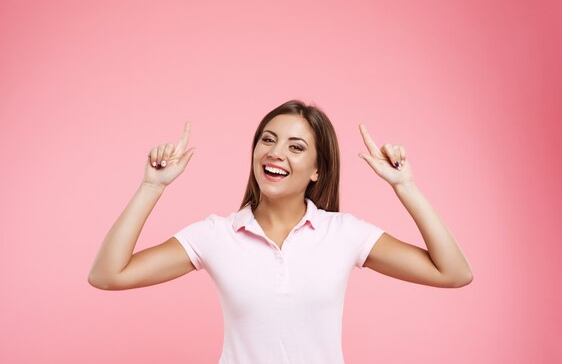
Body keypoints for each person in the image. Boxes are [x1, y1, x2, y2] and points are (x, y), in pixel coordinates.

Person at [88, 99, 473, 364]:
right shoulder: (216, 235)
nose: (275, 153)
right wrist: (151, 187)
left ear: (317, 170)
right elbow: (107, 275)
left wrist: (404, 186)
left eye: (296, 147)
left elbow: (454, 273)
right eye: (268, 140)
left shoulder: (343, 234)